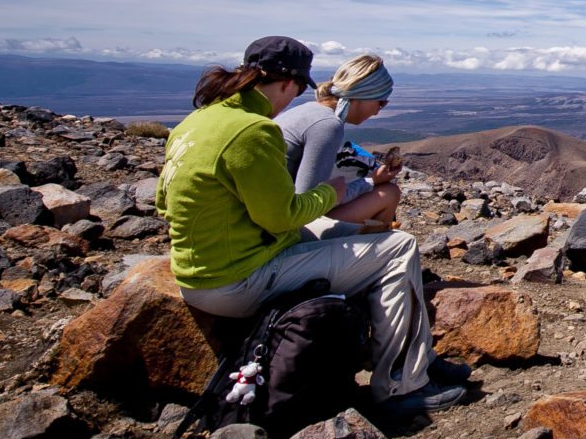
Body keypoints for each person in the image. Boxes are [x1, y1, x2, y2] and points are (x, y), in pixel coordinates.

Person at [155, 35, 467, 416]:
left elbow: (162, 202)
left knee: (364, 245)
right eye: (297, 88)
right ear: (288, 83)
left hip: (196, 273)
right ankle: (401, 385)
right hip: (237, 280)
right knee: (397, 247)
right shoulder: (252, 131)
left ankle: (408, 353)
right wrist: (334, 193)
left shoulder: (198, 121)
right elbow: (287, 214)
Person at [275, 53, 403, 232]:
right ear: (362, 95)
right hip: (286, 228)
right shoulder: (327, 125)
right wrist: (370, 181)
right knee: (389, 193)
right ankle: (370, 252)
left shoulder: (308, 111)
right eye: (380, 102)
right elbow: (306, 201)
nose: (377, 112)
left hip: (273, 215)